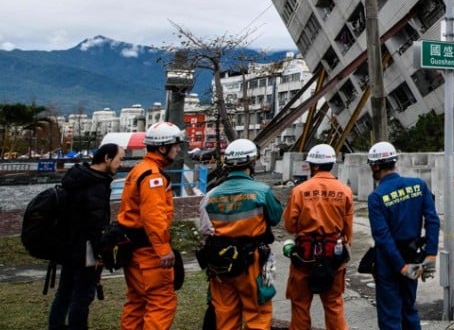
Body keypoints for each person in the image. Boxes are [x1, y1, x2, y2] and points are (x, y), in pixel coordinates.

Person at [199, 139, 282, 330]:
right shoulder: (262, 192)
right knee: (258, 314)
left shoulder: (210, 196)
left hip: (221, 264)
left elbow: (205, 230)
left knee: (225, 316)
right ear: (251, 163)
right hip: (253, 263)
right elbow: (275, 217)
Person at [49, 143, 124, 330]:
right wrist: (100, 253)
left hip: (68, 245)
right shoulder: (96, 185)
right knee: (82, 296)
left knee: (64, 292)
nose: (121, 164)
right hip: (86, 250)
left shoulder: (77, 177)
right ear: (107, 158)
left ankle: (56, 326)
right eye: (120, 159)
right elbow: (95, 224)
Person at [366, 141, 440, 330]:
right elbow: (432, 220)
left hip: (389, 261)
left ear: (375, 166)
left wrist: (401, 266)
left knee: (390, 316)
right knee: (409, 310)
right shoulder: (418, 185)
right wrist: (430, 255)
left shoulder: (376, 197)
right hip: (413, 255)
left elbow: (382, 237)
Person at [117, 121, 184, 330]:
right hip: (149, 252)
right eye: (175, 145)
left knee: (137, 301)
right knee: (161, 301)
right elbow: (153, 216)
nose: (178, 149)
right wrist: (163, 249)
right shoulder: (153, 176)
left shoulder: (140, 170)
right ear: (162, 148)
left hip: (133, 247)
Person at [284, 143, 355, 330]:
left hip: (304, 256)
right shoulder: (345, 191)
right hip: (333, 256)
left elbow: (289, 225)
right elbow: (347, 231)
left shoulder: (300, 191)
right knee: (333, 304)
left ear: (314, 165)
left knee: (300, 304)